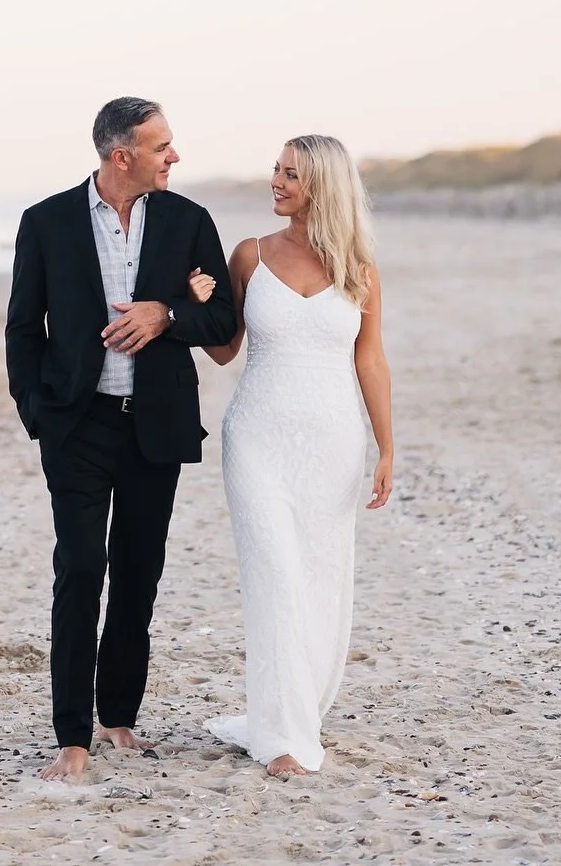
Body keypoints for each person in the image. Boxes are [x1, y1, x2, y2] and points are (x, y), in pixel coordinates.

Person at [5, 98, 237, 782]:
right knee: (80, 567)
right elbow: (23, 329)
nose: (175, 156)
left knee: (139, 570)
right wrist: (39, 412)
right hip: (78, 423)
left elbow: (222, 318)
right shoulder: (46, 222)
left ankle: (119, 716)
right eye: (162, 145)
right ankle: (72, 735)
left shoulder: (189, 220)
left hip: (155, 422)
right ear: (121, 154)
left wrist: (166, 313)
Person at [196, 134, 394, 777]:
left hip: (334, 441)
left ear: (322, 187)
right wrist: (201, 310)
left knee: (318, 580)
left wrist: (388, 446)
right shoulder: (249, 255)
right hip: (256, 438)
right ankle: (283, 738)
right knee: (276, 575)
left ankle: (294, 710)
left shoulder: (359, 270)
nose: (275, 182)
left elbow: (370, 358)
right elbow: (226, 350)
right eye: (276, 170)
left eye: (290, 175)